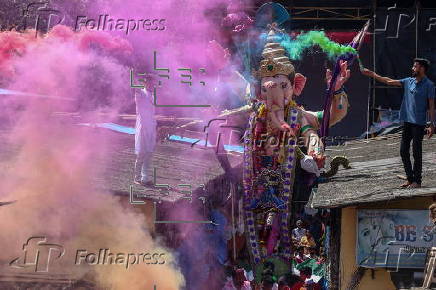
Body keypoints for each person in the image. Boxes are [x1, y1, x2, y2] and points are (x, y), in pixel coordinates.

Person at [361, 58, 435, 188]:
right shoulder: (408, 81)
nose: (413, 68)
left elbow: (432, 106)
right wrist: (372, 74)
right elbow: (388, 81)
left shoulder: (429, 85)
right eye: (413, 66)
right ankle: (410, 179)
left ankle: (417, 181)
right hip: (407, 122)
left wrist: (432, 125)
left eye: (415, 66)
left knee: (417, 152)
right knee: (403, 151)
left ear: (422, 69)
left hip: (419, 124)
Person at [134, 75, 157, 186]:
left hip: (151, 126)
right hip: (143, 126)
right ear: (145, 83)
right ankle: (137, 177)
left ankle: (145, 178)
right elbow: (136, 91)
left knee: (149, 152)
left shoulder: (153, 95)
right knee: (141, 153)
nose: (151, 84)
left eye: (152, 82)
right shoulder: (140, 93)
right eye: (148, 82)